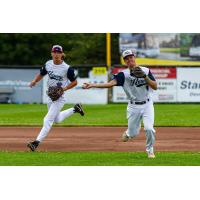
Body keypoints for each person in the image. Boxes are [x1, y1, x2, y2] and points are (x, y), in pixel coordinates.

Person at [82, 49, 157, 158]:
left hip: (147, 104)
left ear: (134, 57)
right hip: (133, 106)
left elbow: (155, 86)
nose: (129, 60)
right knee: (133, 133)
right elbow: (110, 84)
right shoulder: (123, 75)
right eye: (127, 59)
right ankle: (128, 133)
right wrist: (93, 85)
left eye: (131, 57)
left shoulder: (145, 70)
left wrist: (145, 77)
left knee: (149, 128)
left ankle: (150, 150)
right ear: (125, 61)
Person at [27, 45, 84, 151]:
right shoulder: (48, 64)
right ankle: (75, 108)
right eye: (55, 52)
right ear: (51, 53)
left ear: (62, 54)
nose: (56, 54)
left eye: (59, 52)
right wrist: (34, 81)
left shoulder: (67, 68)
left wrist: (64, 89)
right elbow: (42, 73)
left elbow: (75, 82)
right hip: (50, 95)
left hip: (60, 97)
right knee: (57, 119)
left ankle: (36, 142)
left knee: (47, 119)